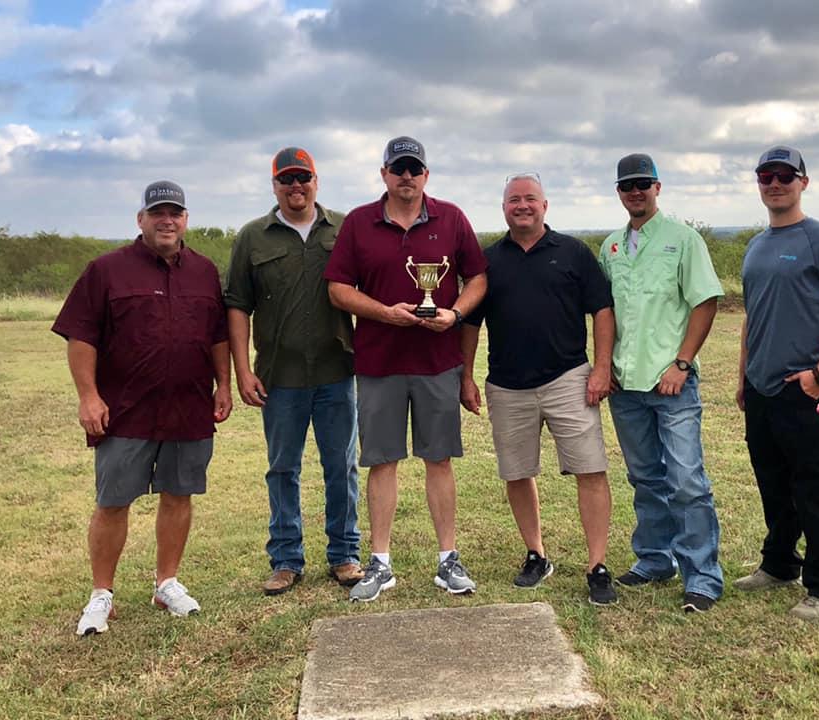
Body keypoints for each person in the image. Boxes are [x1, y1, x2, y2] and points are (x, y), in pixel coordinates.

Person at [52, 181, 232, 636]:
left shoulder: (205, 272)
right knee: (113, 501)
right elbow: (81, 337)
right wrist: (88, 396)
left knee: (178, 495)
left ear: (186, 219)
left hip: (189, 406)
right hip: (125, 409)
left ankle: (166, 583)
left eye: (175, 213)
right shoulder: (106, 270)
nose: (166, 220)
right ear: (141, 219)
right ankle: (101, 594)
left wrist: (224, 384)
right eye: (157, 213)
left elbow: (217, 336)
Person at [325, 136, 488, 601]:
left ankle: (447, 560)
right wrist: (384, 312)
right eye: (398, 169)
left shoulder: (451, 217)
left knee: (439, 459)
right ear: (384, 175)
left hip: (438, 362)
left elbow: (477, 277)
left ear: (426, 176)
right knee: (382, 461)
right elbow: (338, 288)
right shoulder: (359, 222)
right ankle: (380, 563)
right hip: (379, 362)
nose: (407, 177)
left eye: (415, 169)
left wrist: (454, 315)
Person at [460, 173, 618, 605]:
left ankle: (597, 565)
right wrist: (465, 376)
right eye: (514, 200)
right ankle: (536, 554)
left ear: (545, 205)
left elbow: (602, 311)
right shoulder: (487, 261)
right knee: (517, 473)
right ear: (504, 208)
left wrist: (601, 368)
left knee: (590, 469)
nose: (522, 205)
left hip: (569, 377)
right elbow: (470, 323)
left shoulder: (572, 252)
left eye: (530, 198)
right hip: (507, 385)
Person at [735, 145, 819, 620]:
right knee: (773, 481)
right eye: (766, 176)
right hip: (762, 388)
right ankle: (779, 565)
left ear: (803, 183)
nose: (775, 184)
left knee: (817, 486)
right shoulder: (756, 245)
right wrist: (743, 375)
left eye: (785, 176)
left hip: (806, 386)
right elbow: (754, 316)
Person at [224, 147, 362, 596]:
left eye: (303, 177)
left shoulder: (343, 229)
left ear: (316, 181)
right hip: (279, 376)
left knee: (341, 466)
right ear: (275, 186)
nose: (295, 186)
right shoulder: (252, 237)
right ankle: (285, 559)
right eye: (287, 179)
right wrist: (242, 371)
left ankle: (344, 554)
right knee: (282, 468)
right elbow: (237, 307)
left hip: (337, 369)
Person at [598, 153, 724, 613]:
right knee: (646, 477)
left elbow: (704, 303)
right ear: (619, 192)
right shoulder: (611, 246)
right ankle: (655, 559)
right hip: (625, 385)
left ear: (657, 187)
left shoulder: (683, 240)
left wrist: (683, 363)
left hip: (670, 382)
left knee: (687, 480)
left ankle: (703, 576)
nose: (636, 191)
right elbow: (605, 313)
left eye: (643, 183)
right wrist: (604, 365)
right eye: (627, 185)